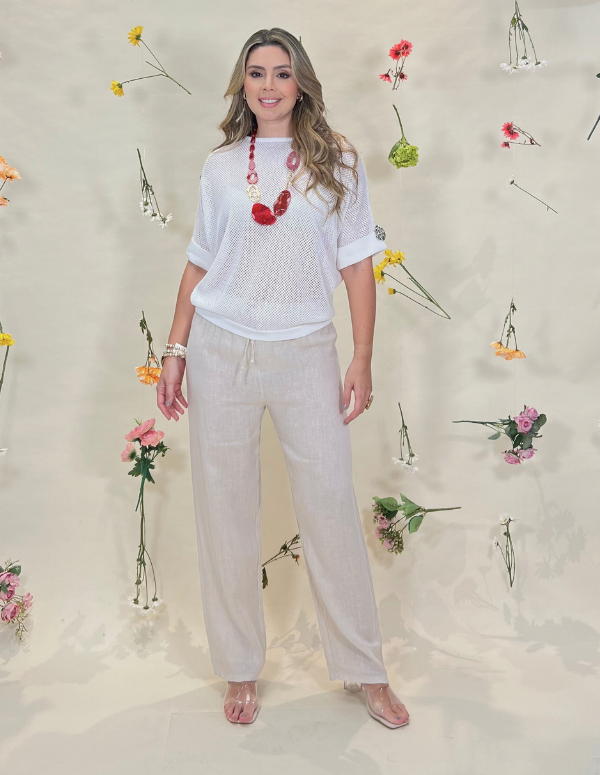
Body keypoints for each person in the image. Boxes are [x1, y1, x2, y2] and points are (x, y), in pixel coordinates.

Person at [156, 27, 410, 730]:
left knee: (329, 505)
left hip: (305, 351)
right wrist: (175, 349)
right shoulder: (220, 167)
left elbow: (358, 264)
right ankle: (239, 665)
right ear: (242, 85)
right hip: (221, 351)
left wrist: (361, 356)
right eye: (256, 73)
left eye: (282, 72)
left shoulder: (339, 162)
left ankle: (366, 668)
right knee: (225, 511)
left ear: (302, 83)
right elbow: (200, 261)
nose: (268, 85)